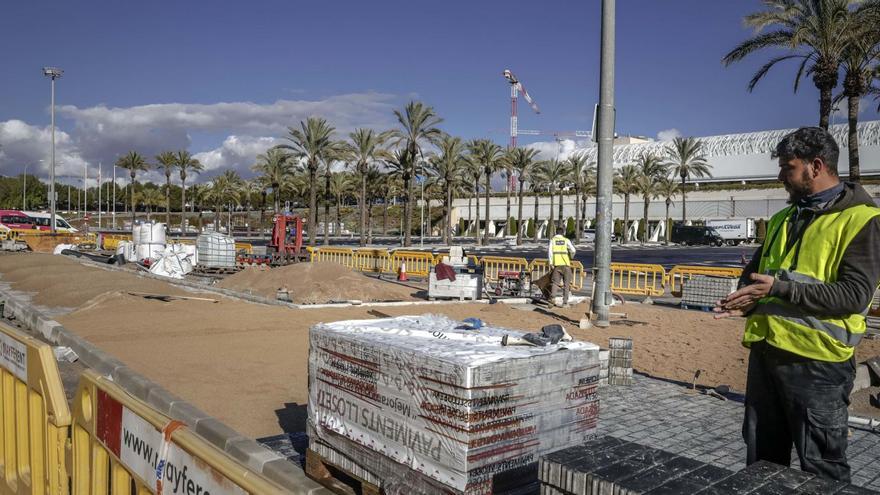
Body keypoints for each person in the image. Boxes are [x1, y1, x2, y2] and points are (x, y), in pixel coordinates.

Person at [714, 127, 880, 483]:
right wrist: (742, 300)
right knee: (762, 460)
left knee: (822, 468)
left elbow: (854, 295)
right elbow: (754, 276)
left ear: (815, 166)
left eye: (788, 168)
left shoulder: (862, 221)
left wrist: (781, 289)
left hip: (818, 366)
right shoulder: (781, 220)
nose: (780, 176)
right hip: (767, 356)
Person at [549, 227, 576, 307]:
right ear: (563, 233)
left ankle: (552, 299)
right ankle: (565, 302)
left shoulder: (552, 241)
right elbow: (573, 250)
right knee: (566, 284)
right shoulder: (566, 240)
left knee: (555, 283)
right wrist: (571, 256)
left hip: (557, 266)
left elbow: (550, 253)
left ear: (556, 233)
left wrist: (551, 263)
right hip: (566, 265)